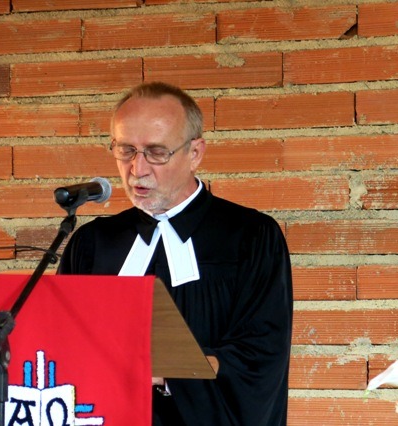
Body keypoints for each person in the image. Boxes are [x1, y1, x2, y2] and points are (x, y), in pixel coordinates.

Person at [57, 81, 294, 426]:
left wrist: (169, 372)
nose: (137, 169)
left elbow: (260, 355)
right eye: (125, 150)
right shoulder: (92, 243)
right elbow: (64, 345)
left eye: (156, 152)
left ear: (195, 153)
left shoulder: (251, 237)